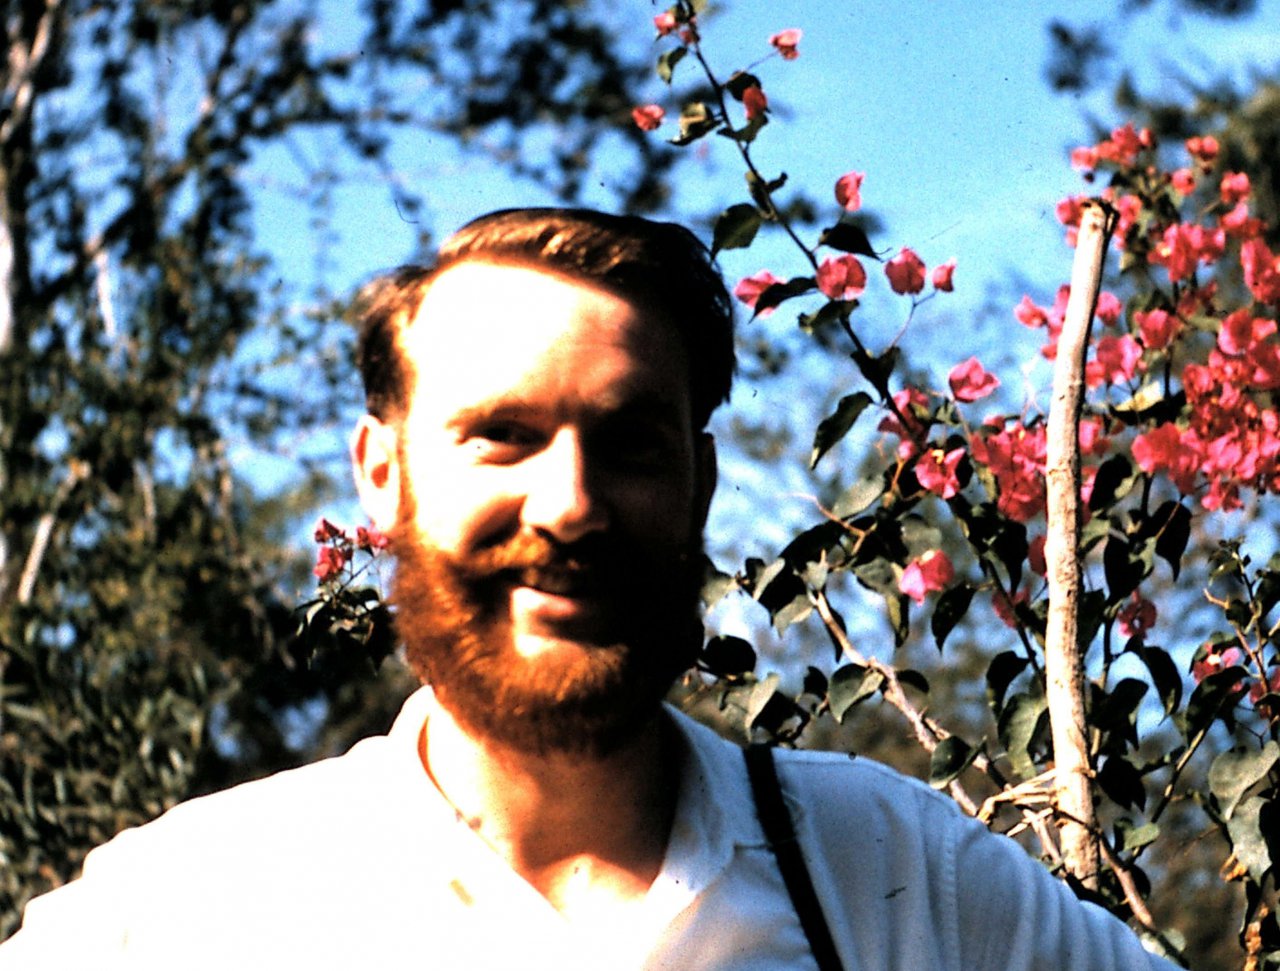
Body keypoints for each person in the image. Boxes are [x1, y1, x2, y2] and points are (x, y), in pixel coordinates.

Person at [1, 208, 1178, 970]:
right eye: (501, 436)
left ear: (701, 483)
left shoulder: (887, 876)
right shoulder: (193, 912)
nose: (570, 504)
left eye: (627, 443)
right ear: (382, 474)